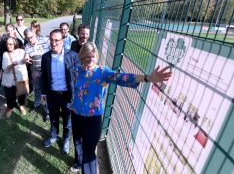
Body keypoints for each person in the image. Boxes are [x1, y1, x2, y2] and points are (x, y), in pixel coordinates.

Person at [70, 42, 172, 173]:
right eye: (86, 57)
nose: (90, 60)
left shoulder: (102, 72)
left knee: (89, 151)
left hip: (92, 119)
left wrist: (147, 78)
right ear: (82, 57)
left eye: (93, 57)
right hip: (76, 114)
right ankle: (78, 162)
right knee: (78, 142)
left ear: (97, 57)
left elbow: (122, 77)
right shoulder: (77, 70)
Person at [40, 29, 80, 154]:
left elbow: (78, 75)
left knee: (68, 119)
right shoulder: (45, 57)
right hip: (52, 94)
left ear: (63, 41)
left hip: (67, 95)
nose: (53, 43)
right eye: (51, 40)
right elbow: (44, 76)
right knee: (53, 117)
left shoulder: (72, 56)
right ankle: (54, 135)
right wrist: (43, 93)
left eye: (57, 40)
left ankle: (66, 139)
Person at [24, 28, 50, 116]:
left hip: (46, 70)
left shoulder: (45, 40)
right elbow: (27, 55)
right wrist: (26, 57)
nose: (30, 40)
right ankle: (37, 103)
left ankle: (47, 108)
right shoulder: (27, 46)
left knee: (46, 89)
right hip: (35, 70)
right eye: (28, 38)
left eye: (31, 37)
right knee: (37, 88)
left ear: (35, 33)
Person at [1, 37, 28, 118]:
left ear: (15, 44)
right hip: (9, 79)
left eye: (11, 44)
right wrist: (12, 65)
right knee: (9, 95)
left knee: (22, 94)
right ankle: (10, 108)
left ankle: (21, 106)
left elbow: (26, 58)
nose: (8, 46)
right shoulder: (5, 54)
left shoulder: (22, 51)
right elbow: (5, 69)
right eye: (7, 44)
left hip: (20, 77)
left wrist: (27, 58)